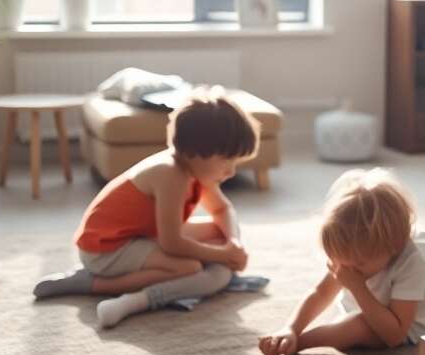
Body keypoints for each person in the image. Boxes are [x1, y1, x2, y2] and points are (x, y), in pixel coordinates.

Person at [32, 88, 258, 328]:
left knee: (218, 232)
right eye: (226, 161)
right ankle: (95, 284)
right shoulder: (170, 175)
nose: (232, 172)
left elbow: (222, 210)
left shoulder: (194, 168)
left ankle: (209, 274)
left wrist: (234, 244)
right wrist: (222, 255)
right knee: (188, 267)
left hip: (140, 236)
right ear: (198, 151)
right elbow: (172, 243)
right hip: (105, 249)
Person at [259, 168, 425, 355]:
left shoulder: (413, 263)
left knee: (358, 325)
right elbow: (321, 292)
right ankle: (294, 338)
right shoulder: (354, 256)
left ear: (393, 249)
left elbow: (395, 335)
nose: (348, 270)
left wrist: (357, 287)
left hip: (404, 328)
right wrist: (291, 329)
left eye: (358, 265)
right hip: (360, 312)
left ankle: (301, 344)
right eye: (343, 262)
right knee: (353, 323)